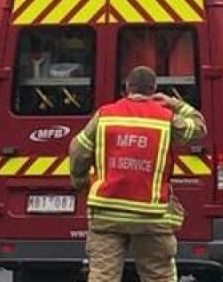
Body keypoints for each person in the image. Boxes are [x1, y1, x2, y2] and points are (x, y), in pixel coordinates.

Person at [69, 66, 206, 282]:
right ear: (154, 90)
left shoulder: (105, 116)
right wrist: (173, 102)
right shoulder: (166, 118)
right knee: (158, 276)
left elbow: (78, 149)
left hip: (107, 213)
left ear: (126, 88)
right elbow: (198, 127)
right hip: (152, 216)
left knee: (103, 277)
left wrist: (80, 181)